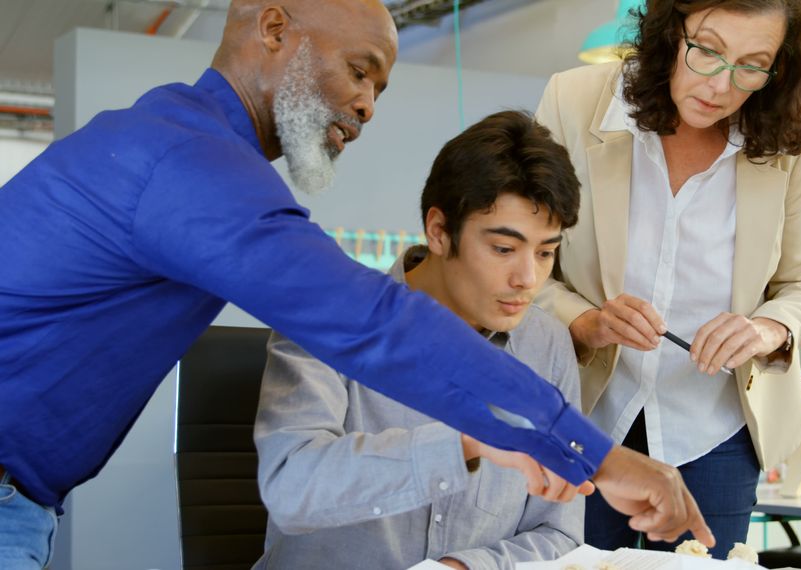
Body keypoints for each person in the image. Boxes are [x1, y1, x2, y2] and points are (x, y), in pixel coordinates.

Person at [0, 1, 714, 567]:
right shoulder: (190, 163)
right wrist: (590, 449)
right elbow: (374, 323)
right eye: (359, 69)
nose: (369, 104)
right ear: (274, 29)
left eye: (379, 86)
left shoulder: (181, 145)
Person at [534, 0, 801, 556]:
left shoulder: (794, 141)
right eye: (707, 50)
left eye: (752, 64)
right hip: (588, 411)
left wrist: (767, 329)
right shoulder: (573, 103)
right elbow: (524, 267)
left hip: (716, 425)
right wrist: (585, 321)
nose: (721, 86)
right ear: (669, 33)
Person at [254, 110, 590, 569]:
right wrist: (462, 444)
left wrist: (462, 568)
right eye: (504, 249)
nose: (528, 279)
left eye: (546, 252)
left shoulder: (546, 345)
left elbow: (559, 532)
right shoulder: (327, 320)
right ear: (438, 231)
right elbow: (294, 486)